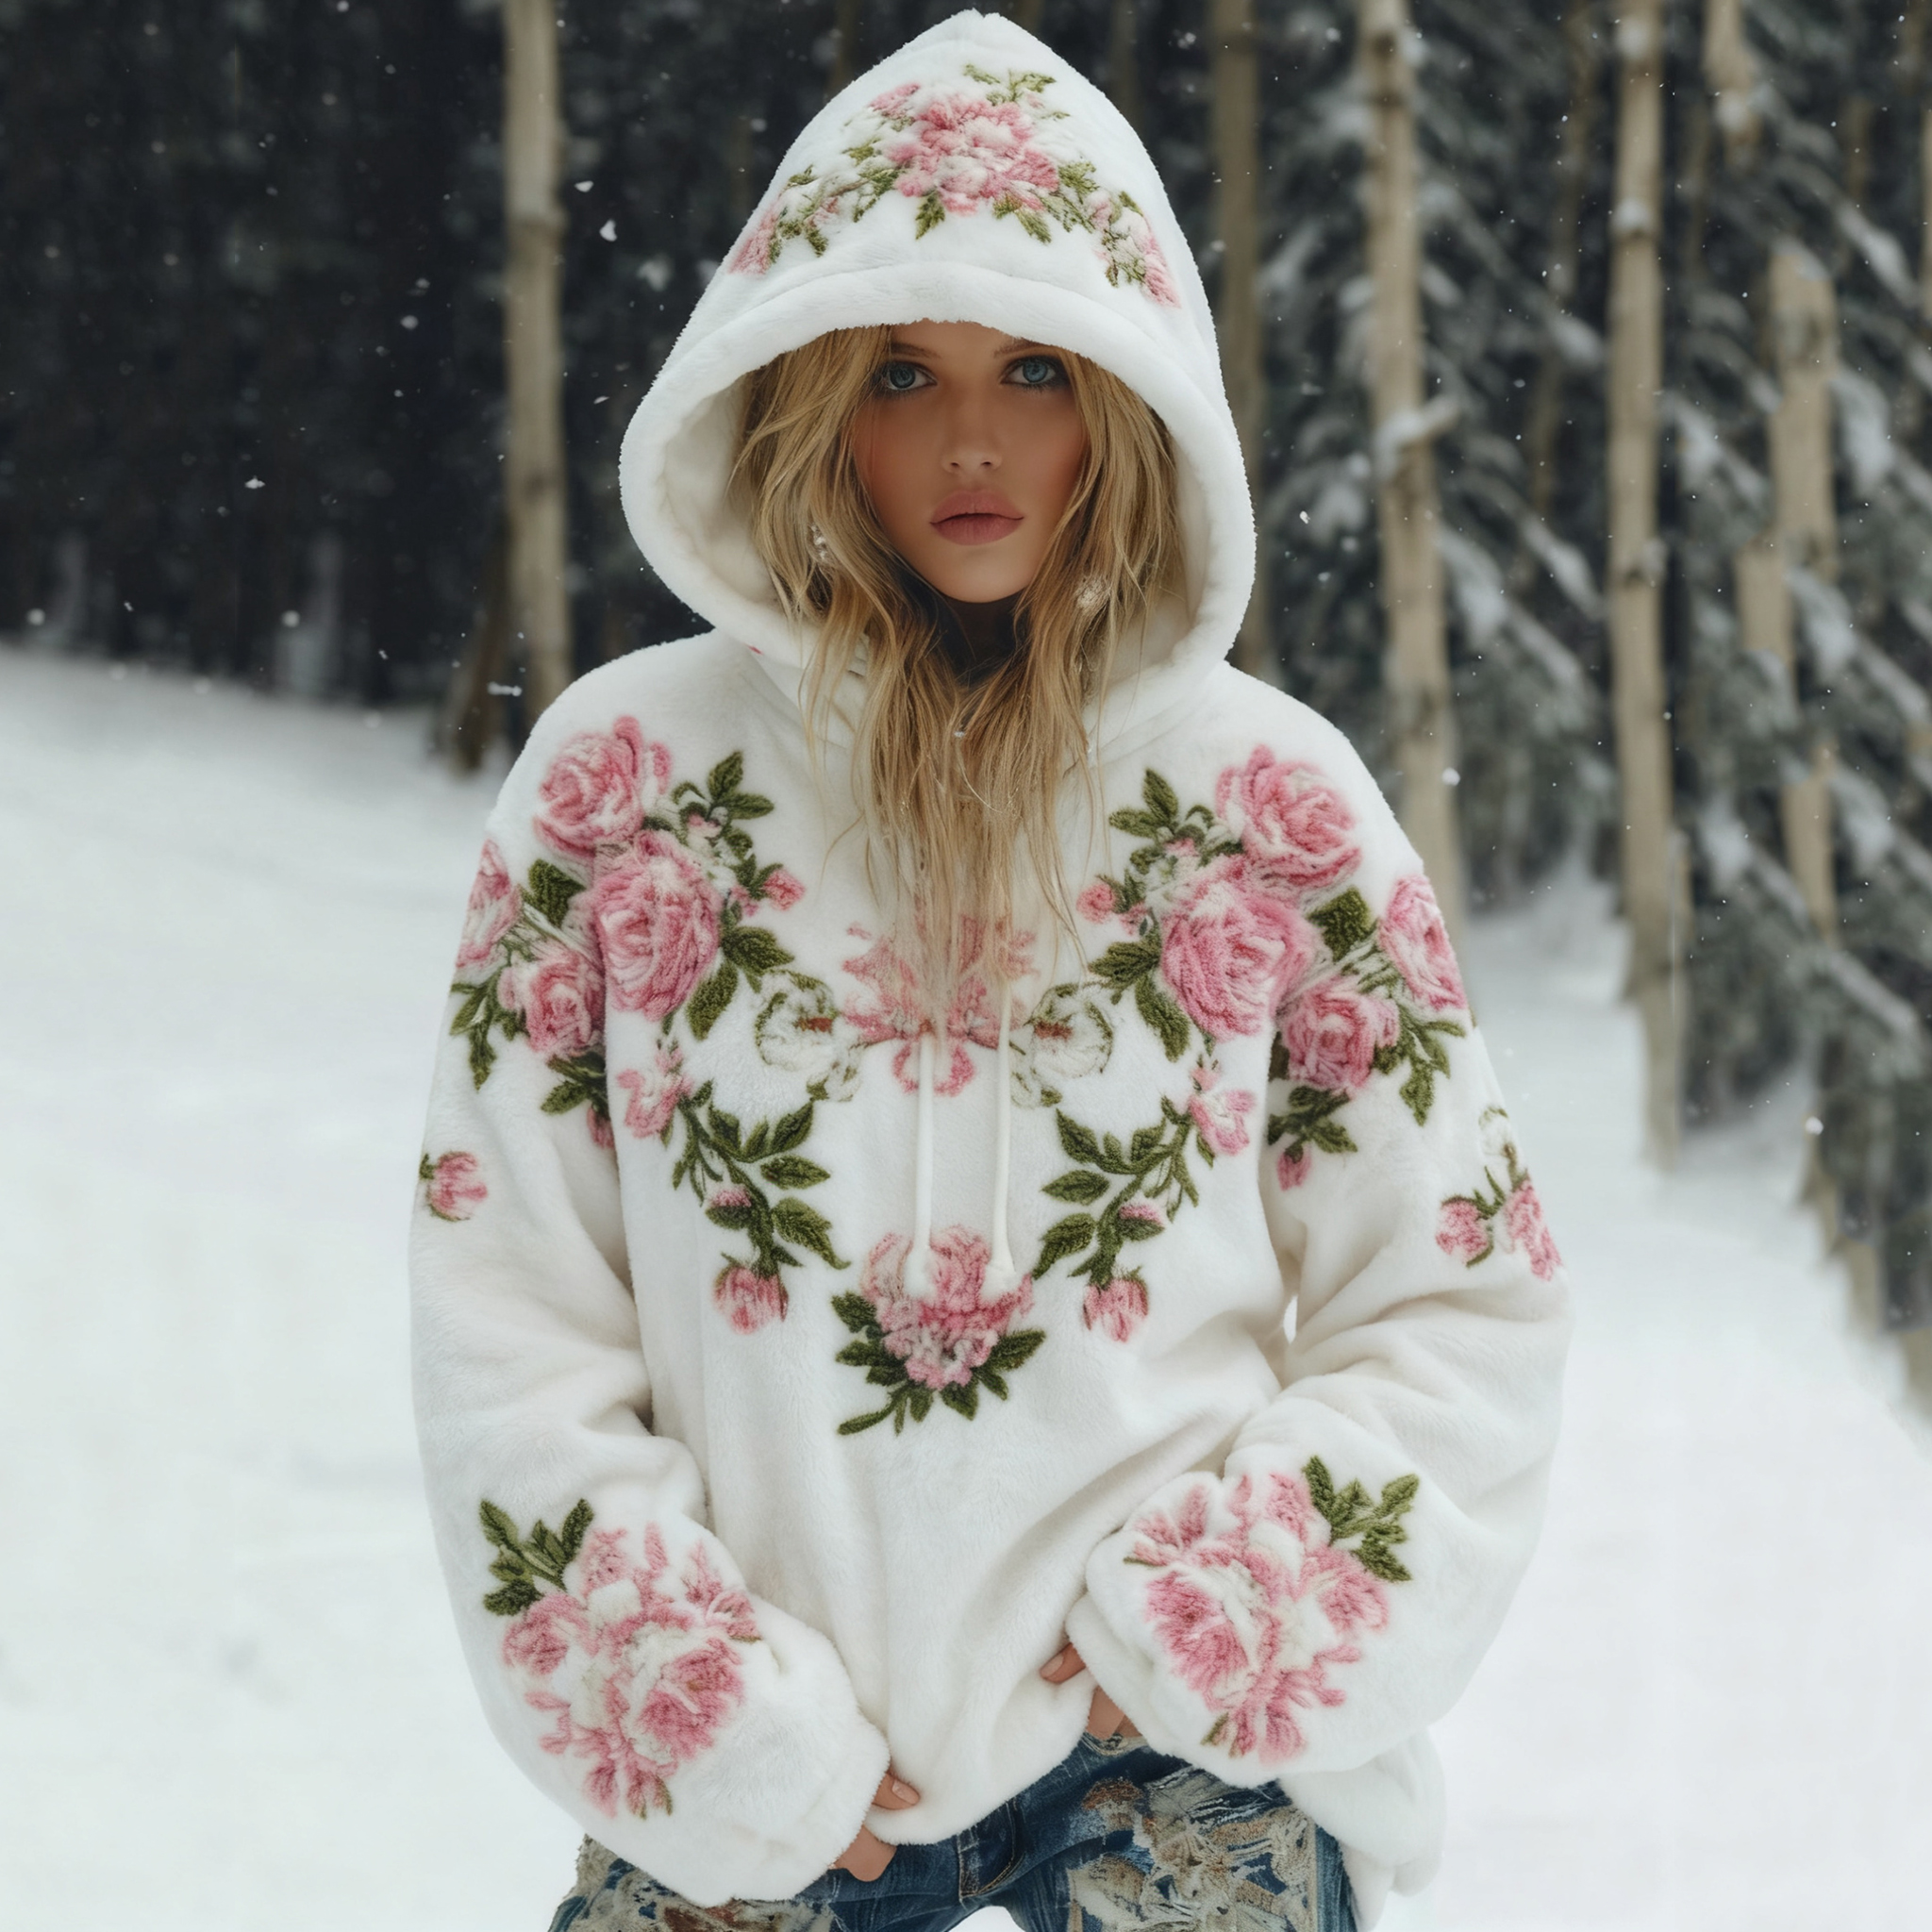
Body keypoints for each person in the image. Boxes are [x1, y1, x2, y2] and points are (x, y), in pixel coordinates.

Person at [409, 14, 1570, 1931]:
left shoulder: (1269, 798)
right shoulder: (617, 787)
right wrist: (714, 1729)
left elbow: (1457, 1290)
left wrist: (1213, 1627)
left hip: (1171, 1763)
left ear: (1125, 399)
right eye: (902, 371)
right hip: (760, 1772)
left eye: (1035, 369)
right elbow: (510, 1311)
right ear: (808, 398)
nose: (970, 441)